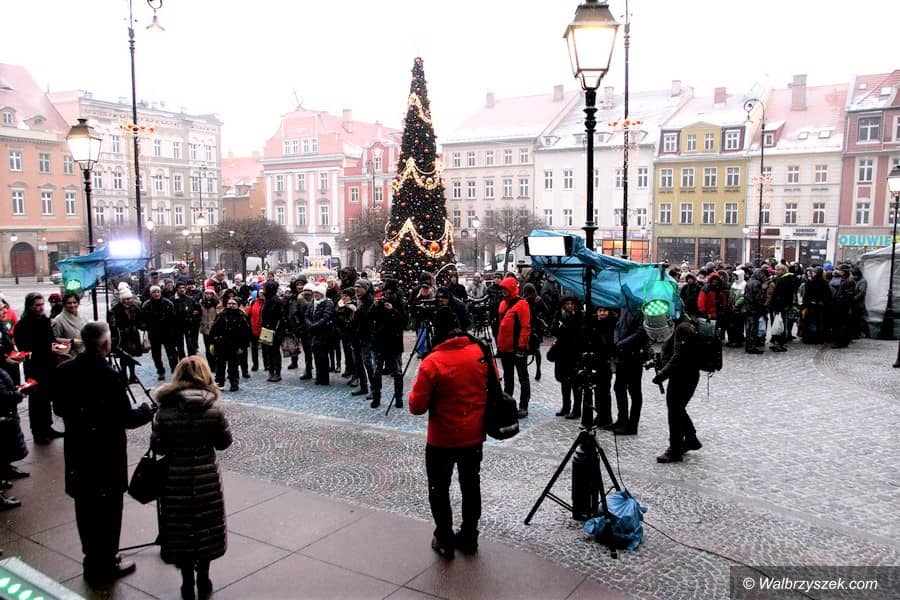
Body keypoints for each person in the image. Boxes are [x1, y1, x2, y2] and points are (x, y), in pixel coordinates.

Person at [53, 321, 154, 585]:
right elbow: (125, 418)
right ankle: (105, 563)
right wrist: (145, 411)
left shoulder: (65, 371)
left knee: (85, 508)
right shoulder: (110, 376)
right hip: (106, 453)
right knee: (108, 512)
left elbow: (59, 409)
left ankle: (92, 559)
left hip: (79, 449)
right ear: (107, 344)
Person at [409, 307, 488, 559]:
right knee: (471, 485)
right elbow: (492, 385)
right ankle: (470, 535)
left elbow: (417, 407)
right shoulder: (480, 352)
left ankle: (444, 537)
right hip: (473, 434)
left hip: (442, 437)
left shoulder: (433, 362)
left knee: (439, 488)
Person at [151, 356, 232, 600]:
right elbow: (224, 442)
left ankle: (187, 581)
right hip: (206, 475)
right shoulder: (213, 409)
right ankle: (203, 577)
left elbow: (158, 446)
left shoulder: (165, 410)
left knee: (181, 527)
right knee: (206, 525)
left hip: (175, 476)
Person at [14, 292, 64, 444]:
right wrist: (48, 349)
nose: (41, 308)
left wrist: (58, 347)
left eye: (42, 304)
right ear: (29, 306)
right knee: (36, 400)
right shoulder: (22, 325)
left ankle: (47, 427)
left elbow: (51, 339)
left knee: (47, 398)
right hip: (34, 367)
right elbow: (25, 349)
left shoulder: (44, 321)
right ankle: (38, 432)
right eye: (37, 305)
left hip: (49, 366)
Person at [651, 315, 702, 463]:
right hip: (684, 375)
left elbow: (678, 357)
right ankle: (691, 439)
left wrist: (662, 375)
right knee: (677, 409)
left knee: (674, 412)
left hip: (683, 376)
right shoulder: (682, 325)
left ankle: (675, 449)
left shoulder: (683, 328)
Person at [496, 277, 531, 418]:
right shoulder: (502, 304)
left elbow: (525, 326)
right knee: (508, 377)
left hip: (517, 348)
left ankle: (523, 406)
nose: (503, 291)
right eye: (502, 289)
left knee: (523, 377)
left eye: (505, 289)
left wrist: (521, 347)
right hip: (505, 348)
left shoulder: (522, 304)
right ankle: (508, 404)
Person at [369, 279, 406, 408]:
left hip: (394, 342)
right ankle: (376, 397)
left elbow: (404, 322)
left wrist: (393, 310)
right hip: (379, 341)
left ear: (395, 292)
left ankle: (399, 398)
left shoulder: (400, 303)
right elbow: (370, 317)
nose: (387, 295)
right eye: (386, 293)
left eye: (390, 293)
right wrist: (374, 306)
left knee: (397, 372)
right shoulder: (381, 302)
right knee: (377, 371)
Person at [612, 303, 647, 434]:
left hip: (634, 355)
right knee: (619, 387)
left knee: (634, 391)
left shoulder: (641, 308)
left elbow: (641, 333)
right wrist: (617, 342)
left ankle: (632, 425)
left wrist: (621, 343)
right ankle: (622, 420)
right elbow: (618, 326)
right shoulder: (625, 306)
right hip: (622, 354)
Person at [549, 295, 584, 417]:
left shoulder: (579, 316)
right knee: (564, 381)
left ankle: (576, 409)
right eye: (567, 304)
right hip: (562, 353)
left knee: (575, 382)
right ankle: (566, 406)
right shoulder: (559, 315)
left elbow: (579, 333)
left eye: (571, 304)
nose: (569, 306)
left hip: (575, 353)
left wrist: (564, 328)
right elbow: (553, 330)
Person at [209, 297, 252, 392]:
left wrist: (242, 347)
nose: (231, 305)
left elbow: (246, 334)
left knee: (233, 366)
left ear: (238, 305)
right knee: (220, 365)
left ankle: (234, 383)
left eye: (233, 304)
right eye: (229, 303)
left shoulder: (242, 317)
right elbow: (214, 330)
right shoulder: (221, 315)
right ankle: (220, 383)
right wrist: (212, 343)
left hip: (235, 345)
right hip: (221, 344)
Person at [141, 285, 179, 381]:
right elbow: (142, 319)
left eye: (158, 292)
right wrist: (146, 326)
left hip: (167, 332)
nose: (156, 294)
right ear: (151, 294)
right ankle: (160, 371)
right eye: (154, 292)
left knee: (172, 353)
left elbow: (174, 319)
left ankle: (175, 371)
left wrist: (173, 331)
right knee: (156, 354)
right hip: (154, 333)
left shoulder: (168, 303)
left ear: (160, 293)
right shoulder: (146, 305)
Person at [304, 283, 335, 386]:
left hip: (324, 332)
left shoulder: (328, 303)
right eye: (314, 293)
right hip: (314, 332)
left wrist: (315, 325)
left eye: (317, 293)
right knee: (316, 355)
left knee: (323, 355)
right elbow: (306, 315)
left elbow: (326, 317)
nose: (315, 294)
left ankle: (324, 378)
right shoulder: (312, 302)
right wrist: (310, 324)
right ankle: (318, 376)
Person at [51, 292, 88, 357]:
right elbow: (54, 339)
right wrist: (71, 341)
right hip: (69, 356)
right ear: (64, 304)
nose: (72, 305)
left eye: (75, 302)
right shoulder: (58, 320)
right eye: (69, 303)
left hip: (84, 352)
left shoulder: (83, 316)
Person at [260, 281, 284, 382]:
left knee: (274, 351)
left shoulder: (276, 301)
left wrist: (275, 329)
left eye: (264, 288)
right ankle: (271, 371)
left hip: (274, 330)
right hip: (267, 329)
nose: (263, 290)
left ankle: (277, 372)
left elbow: (280, 317)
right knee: (268, 351)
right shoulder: (268, 299)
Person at [171, 282, 200, 359]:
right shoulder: (172, 300)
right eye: (180, 288)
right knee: (179, 345)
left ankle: (192, 359)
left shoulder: (190, 299)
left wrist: (194, 315)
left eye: (183, 288)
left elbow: (197, 309)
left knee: (191, 344)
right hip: (177, 326)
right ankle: (182, 360)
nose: (182, 289)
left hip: (189, 324)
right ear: (176, 289)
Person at [198, 288, 221, 372]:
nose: (208, 295)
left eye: (210, 294)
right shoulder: (201, 303)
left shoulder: (217, 304)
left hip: (215, 329)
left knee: (215, 348)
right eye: (207, 294)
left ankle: (217, 364)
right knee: (208, 349)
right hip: (205, 329)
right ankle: (211, 366)